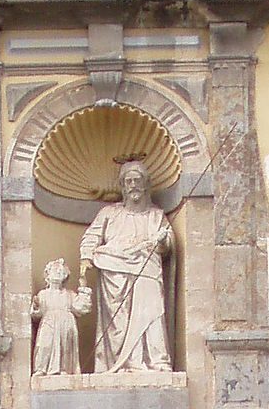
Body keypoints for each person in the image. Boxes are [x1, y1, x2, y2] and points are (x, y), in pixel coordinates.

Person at [79, 159, 174, 373]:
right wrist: (86, 257)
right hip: (113, 270)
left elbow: (168, 245)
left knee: (152, 312)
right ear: (122, 186)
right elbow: (91, 236)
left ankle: (155, 360)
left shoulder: (156, 215)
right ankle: (117, 363)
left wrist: (163, 241)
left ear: (146, 184)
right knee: (117, 321)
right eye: (128, 181)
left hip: (146, 269)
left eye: (137, 180)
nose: (133, 185)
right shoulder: (109, 213)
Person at [29, 258, 91, 377]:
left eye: (60, 271)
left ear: (65, 276)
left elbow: (80, 308)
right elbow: (37, 314)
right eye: (54, 270)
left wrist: (83, 290)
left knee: (64, 346)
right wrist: (36, 306)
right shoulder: (43, 294)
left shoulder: (69, 294)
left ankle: (64, 368)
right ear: (47, 275)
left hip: (66, 324)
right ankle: (42, 368)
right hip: (49, 323)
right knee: (45, 344)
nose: (57, 273)